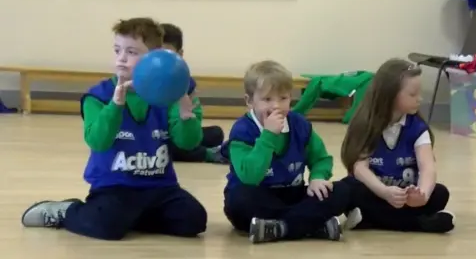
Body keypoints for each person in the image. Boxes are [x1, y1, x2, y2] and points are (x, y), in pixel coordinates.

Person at [20, 17, 208, 240]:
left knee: (193, 220)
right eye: (117, 50)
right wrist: (116, 105)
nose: (121, 59)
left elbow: (188, 144)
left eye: (131, 52)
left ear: (154, 58)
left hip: (159, 186)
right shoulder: (98, 95)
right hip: (115, 186)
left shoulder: (170, 95)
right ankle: (66, 211)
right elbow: (98, 141)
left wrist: (186, 116)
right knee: (107, 226)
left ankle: (130, 217)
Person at [222, 60, 351, 244]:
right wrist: (268, 136)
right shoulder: (242, 131)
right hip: (258, 195)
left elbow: (321, 159)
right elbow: (250, 177)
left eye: (283, 98)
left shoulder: (300, 125)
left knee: (341, 191)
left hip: (293, 194)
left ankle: (277, 228)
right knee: (239, 200)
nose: (276, 106)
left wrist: (317, 177)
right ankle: (311, 225)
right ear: (250, 101)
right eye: (267, 99)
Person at [340, 58, 455, 233]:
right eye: (412, 94)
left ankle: (369, 219)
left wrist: (422, 195)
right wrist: (385, 192)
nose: (419, 99)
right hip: (376, 192)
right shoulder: (367, 124)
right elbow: (360, 168)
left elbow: (428, 168)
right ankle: (420, 224)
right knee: (346, 188)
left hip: (405, 196)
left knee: (439, 193)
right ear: (390, 94)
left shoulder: (417, 128)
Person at [160, 23, 227, 164]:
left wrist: (188, 119)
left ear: (180, 55)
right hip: (155, 137)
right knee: (161, 145)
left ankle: (201, 150)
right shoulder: (144, 82)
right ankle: (206, 154)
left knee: (215, 133)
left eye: (167, 54)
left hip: (178, 132)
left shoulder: (186, 84)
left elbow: (192, 124)